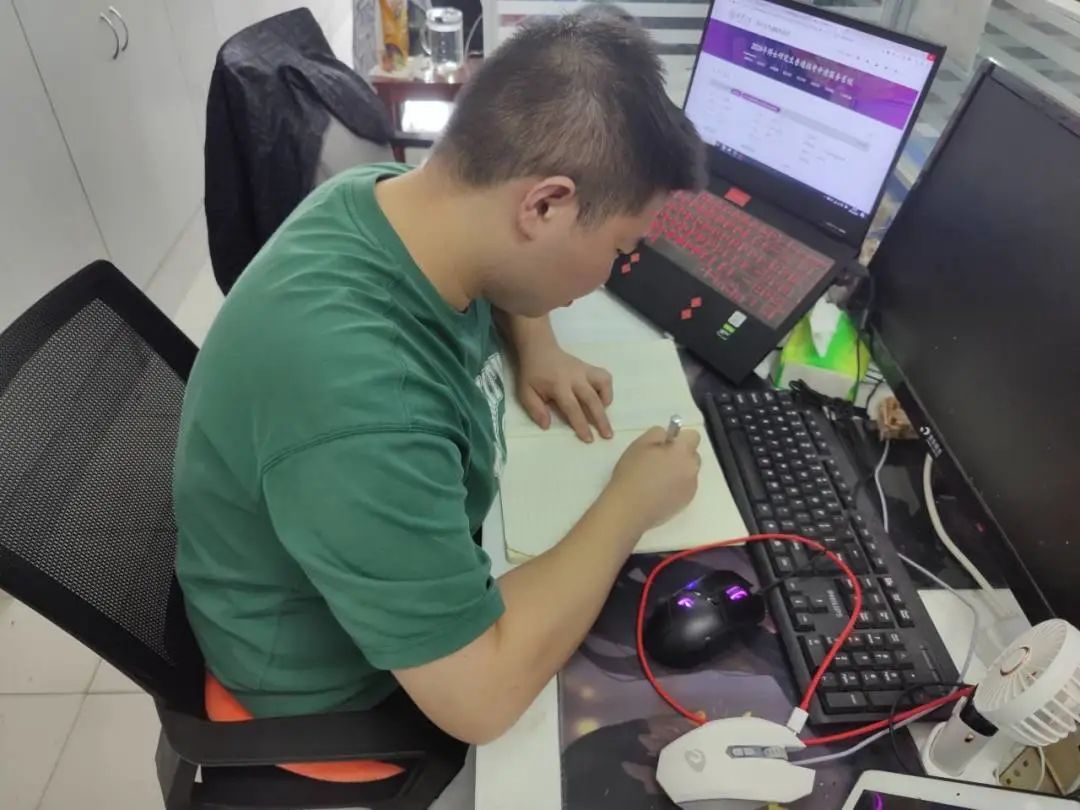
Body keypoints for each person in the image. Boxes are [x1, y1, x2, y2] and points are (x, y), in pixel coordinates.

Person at [173, 11, 706, 755]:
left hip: (369, 570)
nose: (614, 273)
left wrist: (537, 340)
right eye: (621, 247)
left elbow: (497, 261)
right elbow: (480, 700)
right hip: (344, 690)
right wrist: (630, 504)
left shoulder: (389, 195)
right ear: (545, 205)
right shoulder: (363, 399)